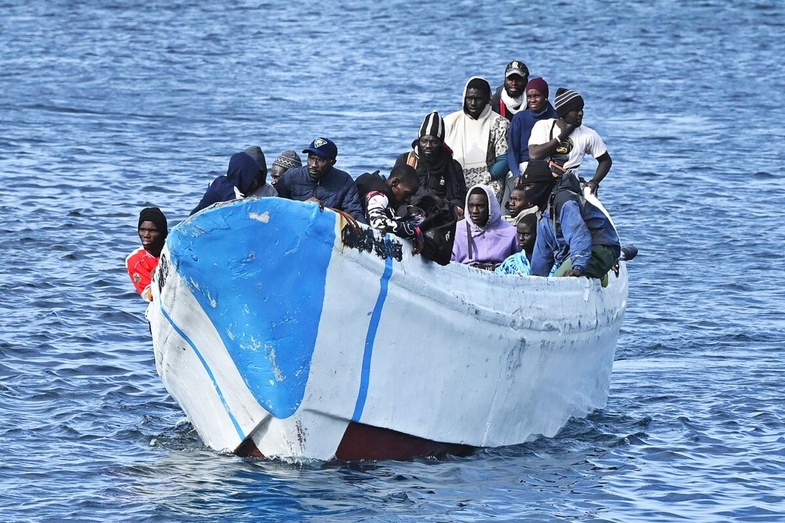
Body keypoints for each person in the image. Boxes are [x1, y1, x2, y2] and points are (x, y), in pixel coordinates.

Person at [523, 163, 620, 281]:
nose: (526, 191)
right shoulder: (543, 212)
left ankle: (600, 273)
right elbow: (543, 252)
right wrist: (535, 280)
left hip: (599, 248)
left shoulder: (564, 202)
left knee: (559, 281)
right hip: (573, 255)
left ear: (543, 185)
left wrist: (578, 268)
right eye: (525, 187)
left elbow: (578, 235)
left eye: (530, 186)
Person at [528, 87, 612, 196]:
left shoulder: (588, 134)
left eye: (582, 109)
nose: (581, 113)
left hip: (568, 186)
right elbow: (534, 155)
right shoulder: (544, 126)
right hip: (541, 183)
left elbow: (605, 161)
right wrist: (563, 135)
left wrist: (595, 181)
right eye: (576, 110)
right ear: (564, 112)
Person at [444, 77, 510, 201]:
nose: (473, 103)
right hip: (455, 180)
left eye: (478, 99)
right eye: (469, 98)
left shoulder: (500, 123)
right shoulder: (450, 122)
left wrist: (486, 177)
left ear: (487, 99)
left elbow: (504, 160)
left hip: (488, 180)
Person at [275, 137, 366, 223]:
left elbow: (354, 213)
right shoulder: (291, 177)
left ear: (332, 162)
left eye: (320, 160)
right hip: (295, 225)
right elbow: (277, 207)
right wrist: (303, 207)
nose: (313, 165)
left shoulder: (344, 181)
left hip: (328, 231)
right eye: (311, 158)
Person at [393, 111, 467, 210]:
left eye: (433, 142)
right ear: (419, 141)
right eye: (424, 141)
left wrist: (438, 203)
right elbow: (394, 194)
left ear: (441, 143)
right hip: (410, 212)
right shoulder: (406, 161)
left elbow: (459, 199)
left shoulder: (452, 166)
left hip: (440, 214)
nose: (428, 146)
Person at [451, 184, 519, 268]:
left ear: (490, 207)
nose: (475, 211)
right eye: (471, 206)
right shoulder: (458, 230)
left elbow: (518, 263)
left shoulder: (510, 232)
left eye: (480, 206)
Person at [507, 77, 558, 187]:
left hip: (547, 168)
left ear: (545, 97)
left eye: (537, 96)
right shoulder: (520, 118)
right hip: (523, 168)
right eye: (529, 96)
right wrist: (516, 174)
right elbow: (512, 151)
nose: (532, 100)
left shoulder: (556, 118)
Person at [190, 147, 268, 215]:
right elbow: (238, 208)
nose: (255, 183)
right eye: (252, 178)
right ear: (242, 176)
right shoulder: (223, 186)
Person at [355, 165, 421, 242]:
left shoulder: (381, 192)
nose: (408, 199)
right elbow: (378, 223)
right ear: (395, 183)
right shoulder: (378, 197)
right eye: (407, 194)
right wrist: (415, 231)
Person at [126, 207, 167, 302]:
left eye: (153, 231)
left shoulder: (175, 250)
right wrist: (160, 274)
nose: (146, 235)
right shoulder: (134, 260)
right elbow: (149, 296)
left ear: (162, 233)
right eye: (142, 230)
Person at [495, 211, 537, 276]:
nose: (521, 238)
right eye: (519, 234)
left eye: (526, 234)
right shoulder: (512, 262)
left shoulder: (551, 262)